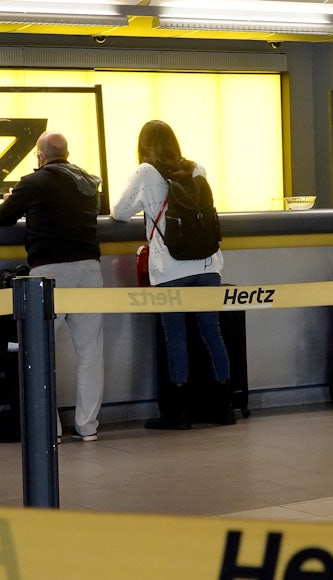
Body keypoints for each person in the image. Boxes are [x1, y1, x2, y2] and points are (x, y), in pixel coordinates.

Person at [111, 119, 234, 430]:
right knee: (212, 334)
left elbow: (119, 213)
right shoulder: (197, 169)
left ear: (144, 147)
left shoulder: (146, 173)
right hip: (207, 265)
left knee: (175, 339)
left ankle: (178, 413)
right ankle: (224, 407)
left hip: (170, 269)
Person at [0, 131, 104, 441]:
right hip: (89, 268)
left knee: (38, 349)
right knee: (90, 350)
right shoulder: (88, 182)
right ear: (67, 153)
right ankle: (87, 427)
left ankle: (49, 428)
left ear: (40, 157)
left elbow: (2, 218)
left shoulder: (34, 181)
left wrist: (10, 199)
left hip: (49, 272)